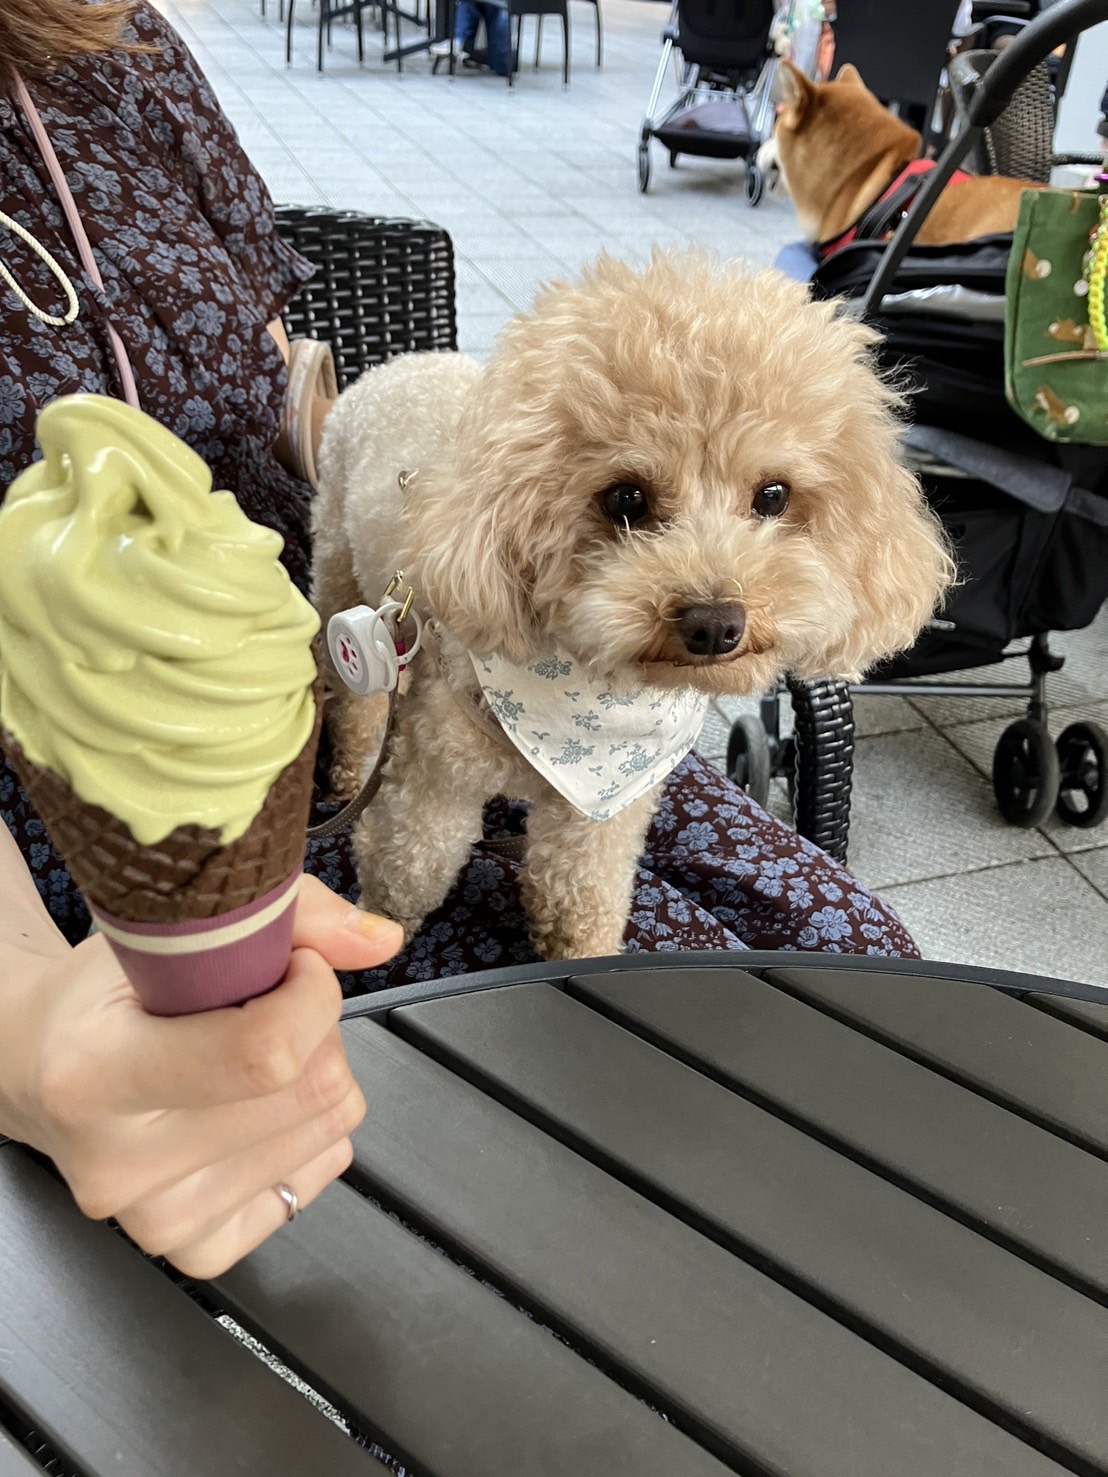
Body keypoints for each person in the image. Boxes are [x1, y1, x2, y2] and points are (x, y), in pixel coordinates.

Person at [1, 0, 919, 1271]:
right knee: (593, 1092)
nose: (718, 584)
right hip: (85, 768)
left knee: (862, 972)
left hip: (493, 655)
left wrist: (414, 501)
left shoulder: (121, 44)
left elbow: (284, 372)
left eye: (770, 500)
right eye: (634, 501)